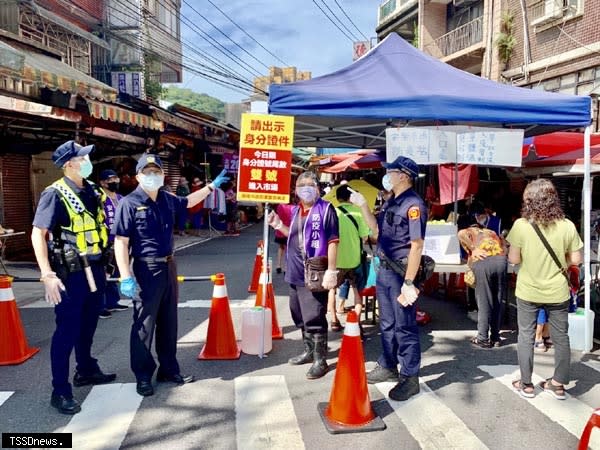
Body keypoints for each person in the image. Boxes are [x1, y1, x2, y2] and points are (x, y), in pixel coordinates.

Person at [113, 154, 229, 397]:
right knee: (144, 324)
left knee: (168, 322)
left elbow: (187, 202)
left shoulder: (166, 198)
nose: (153, 176)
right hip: (146, 268)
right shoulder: (129, 203)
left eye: (157, 171)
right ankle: (143, 376)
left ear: (163, 175)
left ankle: (168, 369)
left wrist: (210, 187)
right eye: (148, 172)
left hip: (169, 266)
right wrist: (125, 275)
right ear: (138, 176)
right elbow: (121, 242)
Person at [31, 140, 116, 415]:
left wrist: (104, 263)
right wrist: (47, 274)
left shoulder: (92, 190)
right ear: (69, 164)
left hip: (95, 269)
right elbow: (37, 234)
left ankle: (86, 369)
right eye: (82, 158)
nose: (88, 161)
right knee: (66, 331)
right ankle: (60, 390)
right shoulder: (54, 194)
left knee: (88, 324)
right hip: (70, 274)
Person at [351, 156, 427, 401]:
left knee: (404, 326)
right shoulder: (391, 201)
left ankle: (410, 377)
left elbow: (416, 246)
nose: (387, 176)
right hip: (384, 270)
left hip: (401, 273)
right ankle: (388, 365)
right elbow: (377, 230)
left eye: (391, 172)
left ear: (403, 176)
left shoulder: (414, 205)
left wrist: (408, 282)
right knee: (387, 323)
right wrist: (363, 206)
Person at [507, 179, 582, 400]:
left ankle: (527, 384)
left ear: (529, 200)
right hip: (557, 291)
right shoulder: (567, 225)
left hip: (528, 290)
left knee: (526, 337)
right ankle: (558, 384)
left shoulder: (521, 225)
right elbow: (576, 259)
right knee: (561, 338)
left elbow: (513, 258)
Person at [267, 171, 339, 379]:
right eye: (301, 185)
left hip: (315, 271)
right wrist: (279, 226)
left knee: (314, 314)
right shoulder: (298, 210)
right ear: (296, 190)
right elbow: (297, 235)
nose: (305, 188)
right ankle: (308, 351)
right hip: (295, 271)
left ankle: (320, 359)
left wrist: (331, 271)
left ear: (317, 187)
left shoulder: (326, 210)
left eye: (309, 184)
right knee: (297, 313)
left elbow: (333, 241)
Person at [457, 217, 507, 348]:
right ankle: (496, 338)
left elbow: (461, 233)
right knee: (497, 299)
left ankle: (482, 338)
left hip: (483, 263)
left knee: (484, 301)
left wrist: (473, 249)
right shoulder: (491, 232)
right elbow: (504, 244)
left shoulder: (467, 231)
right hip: (501, 261)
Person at [328, 185, 370, 332]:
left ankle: (334, 320)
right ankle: (356, 322)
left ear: (337, 198)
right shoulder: (359, 212)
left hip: (336, 260)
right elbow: (365, 237)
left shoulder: (333, 213)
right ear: (350, 197)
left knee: (332, 289)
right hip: (354, 260)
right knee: (357, 290)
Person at [98, 169, 128, 319]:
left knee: (115, 272)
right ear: (103, 182)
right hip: (105, 242)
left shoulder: (121, 198)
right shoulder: (99, 198)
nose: (115, 181)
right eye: (111, 179)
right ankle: (100, 305)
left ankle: (112, 301)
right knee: (104, 273)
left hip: (120, 241)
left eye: (116, 178)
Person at [274, 202, 293, 274]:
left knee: (280, 247)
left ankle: (278, 265)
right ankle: (286, 268)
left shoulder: (279, 206)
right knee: (287, 249)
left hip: (279, 230)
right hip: (287, 230)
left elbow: (277, 216)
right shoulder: (292, 207)